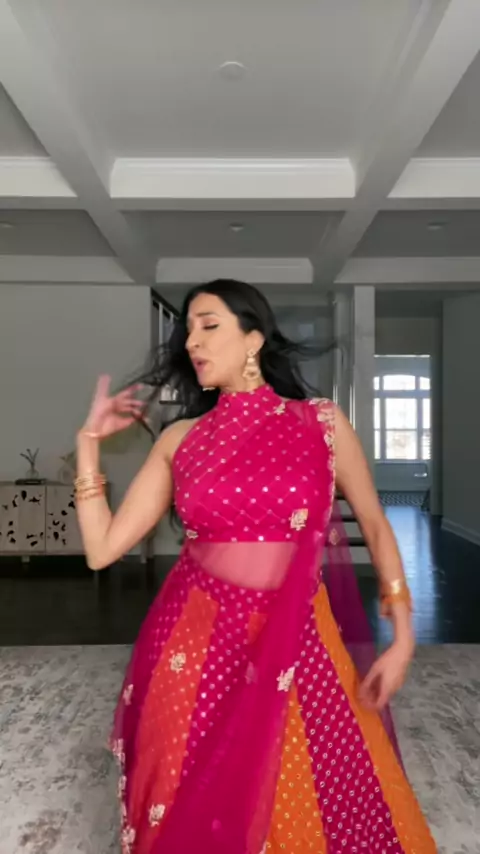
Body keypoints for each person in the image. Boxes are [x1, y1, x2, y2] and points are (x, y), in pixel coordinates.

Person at [75, 279, 436, 854]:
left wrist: (405, 637)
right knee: (193, 795)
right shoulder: (180, 439)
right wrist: (88, 444)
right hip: (196, 641)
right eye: (188, 330)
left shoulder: (320, 423)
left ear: (254, 338)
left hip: (299, 637)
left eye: (209, 325)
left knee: (326, 787)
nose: (192, 341)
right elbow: (102, 550)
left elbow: (373, 523)